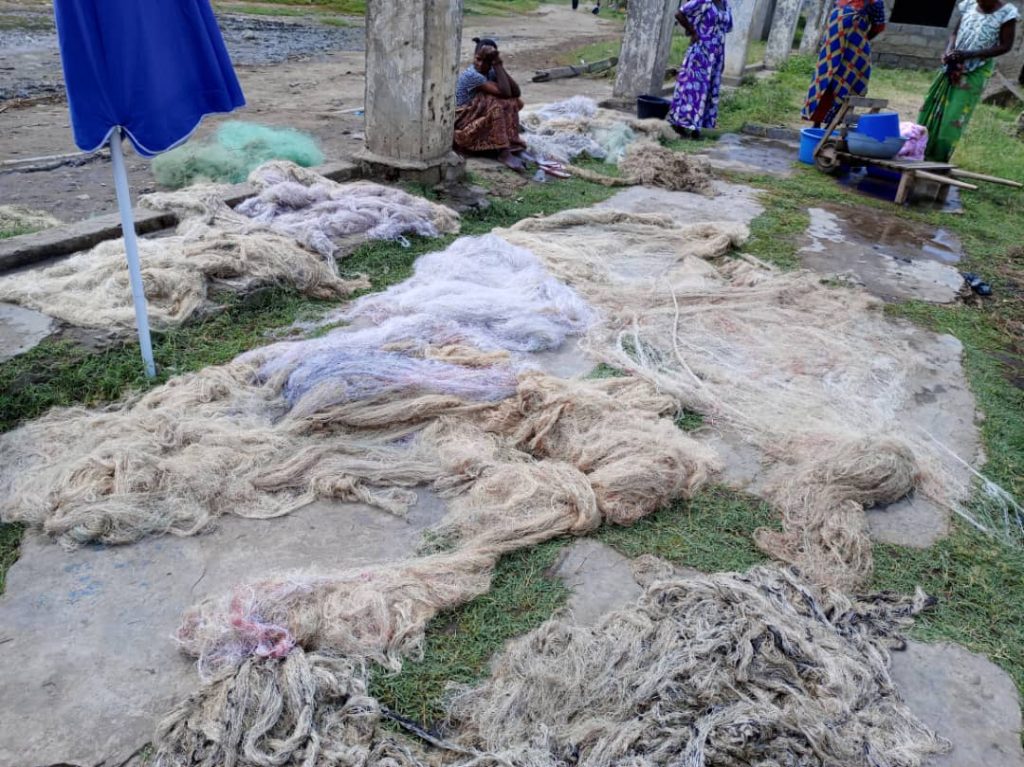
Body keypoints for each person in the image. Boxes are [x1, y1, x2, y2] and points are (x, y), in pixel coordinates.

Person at [919, 0, 1019, 162]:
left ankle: (937, 160)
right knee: (930, 107)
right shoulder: (968, 5)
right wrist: (949, 51)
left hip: (975, 69)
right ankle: (919, 150)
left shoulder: (1007, 14)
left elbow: (1005, 46)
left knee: (954, 116)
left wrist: (969, 54)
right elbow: (955, 33)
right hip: (952, 65)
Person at [802, 0, 887, 128]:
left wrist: (860, 38)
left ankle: (831, 126)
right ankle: (816, 124)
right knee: (825, 79)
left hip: (853, 51)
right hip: (832, 46)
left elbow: (878, 27)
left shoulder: (875, 2)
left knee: (845, 83)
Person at [453, 38, 526, 170]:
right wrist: (496, 65)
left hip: (477, 118)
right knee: (493, 102)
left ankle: (509, 141)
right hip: (462, 121)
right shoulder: (472, 75)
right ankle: (503, 151)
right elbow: (505, 92)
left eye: (485, 61)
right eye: (477, 59)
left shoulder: (492, 71)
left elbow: (515, 93)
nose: (480, 64)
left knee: (514, 103)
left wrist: (498, 65)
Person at [668, 0, 733, 139]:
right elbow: (679, 13)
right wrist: (693, 32)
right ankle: (680, 125)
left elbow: (723, 33)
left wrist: (723, 59)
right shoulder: (704, 1)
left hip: (716, 56)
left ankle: (699, 126)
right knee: (692, 89)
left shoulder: (726, 5)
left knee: (709, 90)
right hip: (700, 53)